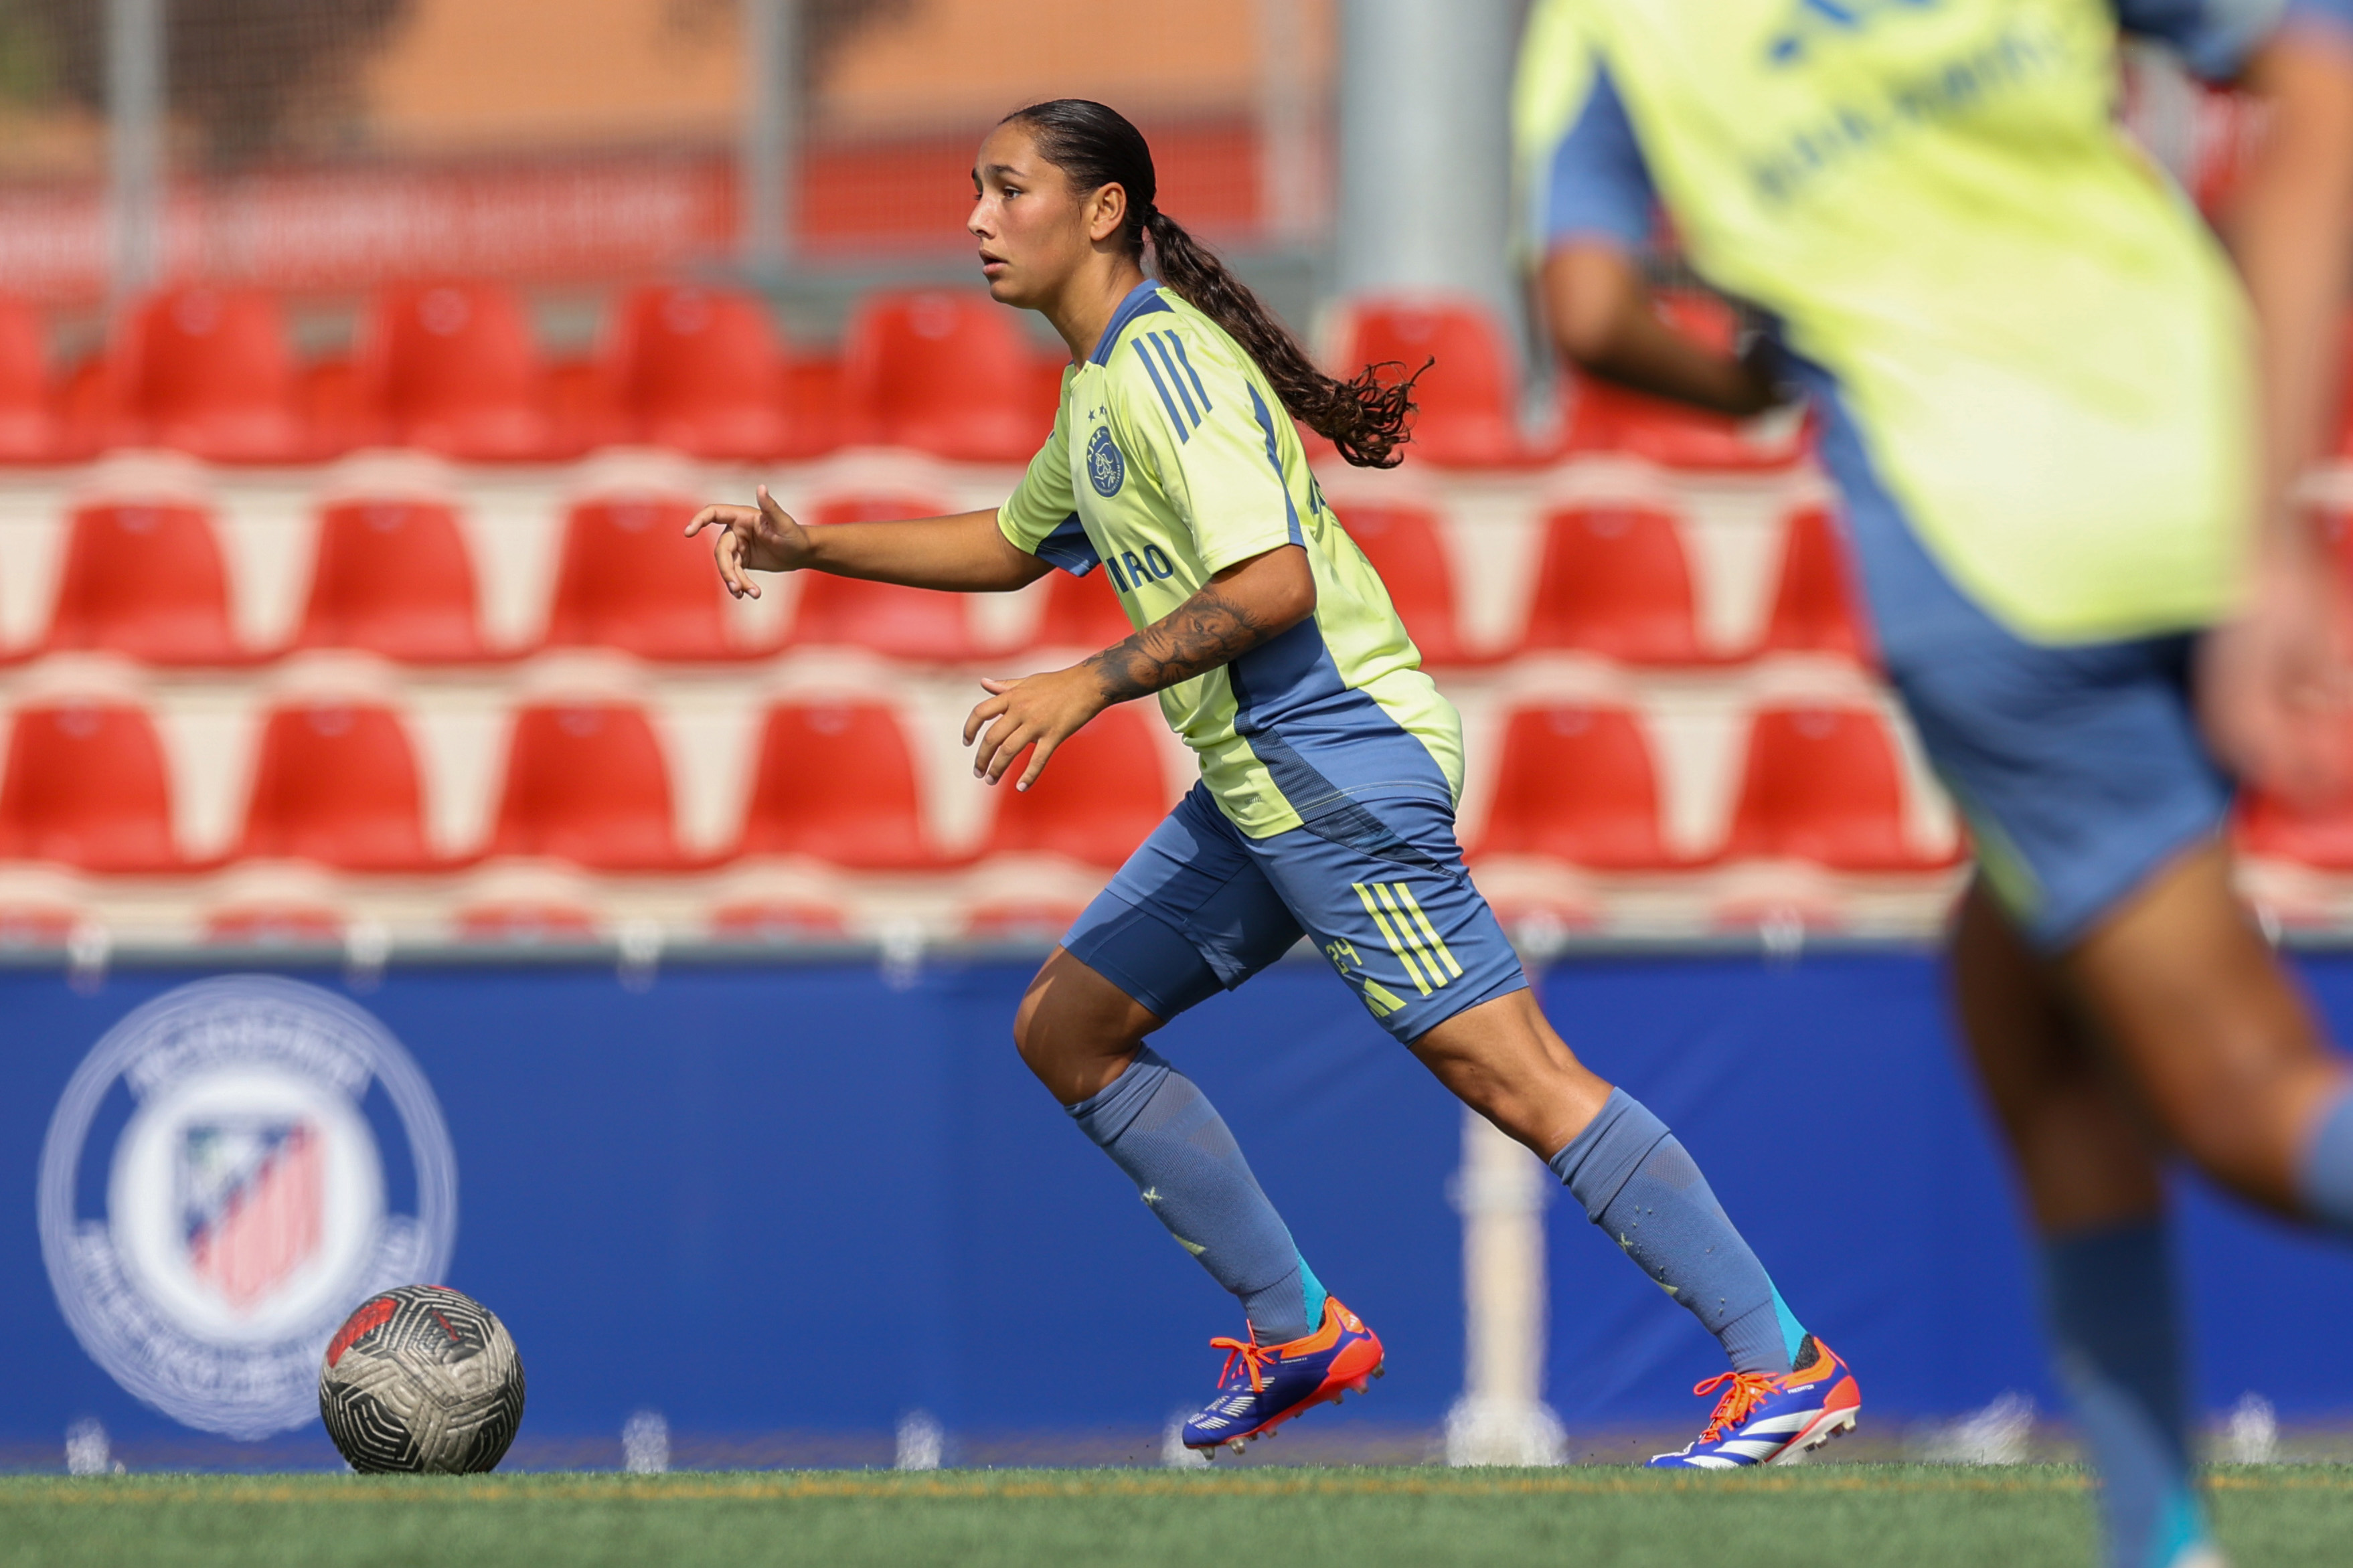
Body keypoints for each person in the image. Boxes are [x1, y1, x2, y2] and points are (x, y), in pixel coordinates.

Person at [688, 98, 1858, 1464]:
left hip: (1331, 759)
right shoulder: (1102, 384)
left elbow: (1274, 584)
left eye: (1006, 189)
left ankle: (1785, 1361)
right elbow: (1012, 545)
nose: (976, 218)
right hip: (1259, 782)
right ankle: (1296, 1329)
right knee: (1069, 1027)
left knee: (1518, 1074)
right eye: (975, 190)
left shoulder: (1168, 369)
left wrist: (1090, 679)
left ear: (1105, 208)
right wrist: (811, 544)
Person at [1523, 0, 2353, 1558]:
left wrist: (1749, 383)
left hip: (2003, 561)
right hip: (2195, 458)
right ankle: (2160, 1537)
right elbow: (2319, 80)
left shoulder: (1606, 25)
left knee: (2240, 1097)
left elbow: (1585, 306)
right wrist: (2270, 517)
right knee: (2018, 992)